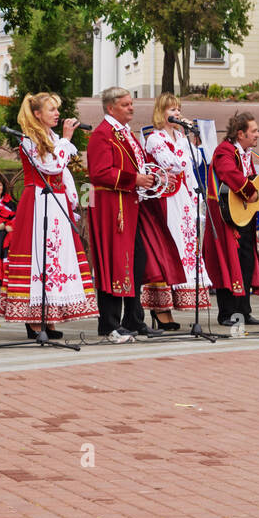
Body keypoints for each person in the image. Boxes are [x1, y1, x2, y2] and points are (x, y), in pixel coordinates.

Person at [0, 91, 98, 338]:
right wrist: (66, 139)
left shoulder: (52, 136)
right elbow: (51, 165)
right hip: (38, 202)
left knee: (56, 259)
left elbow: (62, 172)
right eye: (51, 109)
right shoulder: (29, 139)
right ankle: (34, 321)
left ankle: (50, 317)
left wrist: (71, 199)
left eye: (57, 109)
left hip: (56, 202)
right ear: (37, 114)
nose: (57, 114)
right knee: (39, 257)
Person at [87, 86, 161, 341]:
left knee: (136, 262)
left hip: (131, 205)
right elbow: (99, 173)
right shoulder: (102, 135)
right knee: (113, 262)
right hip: (112, 207)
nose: (132, 107)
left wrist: (150, 178)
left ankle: (134, 318)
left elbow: (137, 164)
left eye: (131, 103)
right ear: (111, 108)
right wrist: (135, 179)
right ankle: (108, 323)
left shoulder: (125, 133)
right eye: (126, 104)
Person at [203, 111, 259, 326]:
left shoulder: (246, 153)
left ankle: (243, 312)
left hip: (243, 216)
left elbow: (253, 191)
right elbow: (230, 175)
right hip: (226, 219)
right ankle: (226, 313)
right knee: (229, 263)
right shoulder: (225, 151)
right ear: (240, 134)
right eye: (254, 131)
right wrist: (252, 190)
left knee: (247, 263)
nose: (258, 134)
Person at [145, 92, 211, 317]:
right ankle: (162, 308)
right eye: (172, 110)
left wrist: (196, 199)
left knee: (187, 246)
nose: (177, 113)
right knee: (171, 246)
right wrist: (186, 145)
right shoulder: (155, 138)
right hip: (166, 199)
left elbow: (194, 166)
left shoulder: (181, 138)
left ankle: (183, 301)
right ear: (161, 113)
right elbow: (173, 163)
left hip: (182, 197)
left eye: (178, 109)